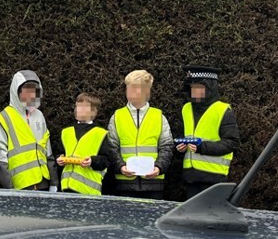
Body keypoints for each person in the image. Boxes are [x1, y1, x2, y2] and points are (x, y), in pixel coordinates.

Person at [107, 70, 173, 200]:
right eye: (128, 88)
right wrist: (120, 166)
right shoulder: (117, 116)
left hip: (153, 183)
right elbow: (111, 147)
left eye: (135, 88)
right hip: (125, 182)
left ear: (146, 91)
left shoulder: (158, 116)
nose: (130, 92)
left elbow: (167, 146)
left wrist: (159, 167)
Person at [177, 65, 240, 198]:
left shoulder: (222, 110)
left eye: (199, 88)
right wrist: (179, 146)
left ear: (210, 88)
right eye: (193, 89)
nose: (195, 92)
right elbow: (182, 135)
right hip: (191, 177)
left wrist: (202, 147)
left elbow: (232, 143)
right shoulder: (186, 109)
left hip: (214, 178)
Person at [0, 70, 58, 191]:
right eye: (27, 91)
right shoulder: (4, 117)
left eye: (34, 91)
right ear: (16, 91)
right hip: (20, 185)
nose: (31, 95)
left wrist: (54, 182)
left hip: (42, 183)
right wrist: (8, 187)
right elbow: (1, 158)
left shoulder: (39, 115)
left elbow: (47, 150)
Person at [56, 93, 111, 195]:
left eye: (83, 107)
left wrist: (92, 161)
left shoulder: (100, 133)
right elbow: (59, 153)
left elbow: (106, 160)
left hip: (88, 192)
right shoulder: (66, 132)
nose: (78, 109)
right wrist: (59, 159)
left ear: (93, 111)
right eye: (77, 106)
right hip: (65, 188)